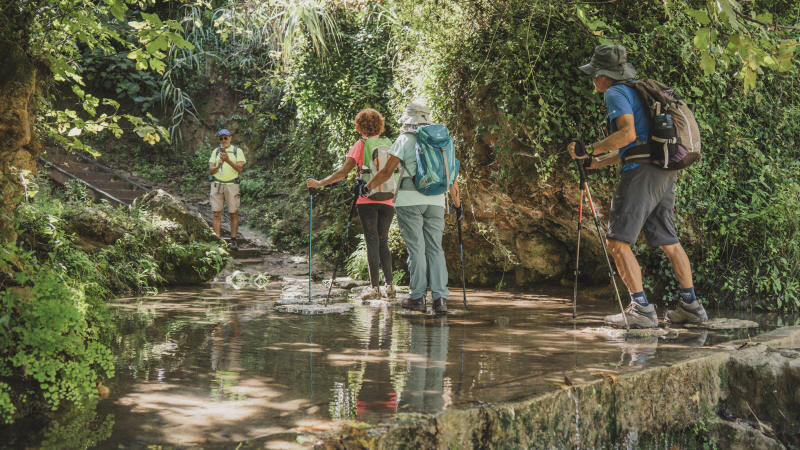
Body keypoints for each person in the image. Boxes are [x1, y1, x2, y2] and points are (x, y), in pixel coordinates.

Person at [567, 45, 708, 328]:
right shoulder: (639, 92)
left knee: (617, 242)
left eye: (593, 74)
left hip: (641, 174)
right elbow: (636, 145)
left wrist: (589, 149)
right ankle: (691, 307)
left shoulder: (614, 92)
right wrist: (597, 161)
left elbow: (627, 134)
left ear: (603, 75)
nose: (592, 79)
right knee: (669, 241)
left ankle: (641, 310)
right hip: (662, 172)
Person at [361, 101, 462, 314]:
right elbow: (451, 175)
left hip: (409, 201)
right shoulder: (443, 140)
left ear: (408, 120)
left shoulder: (404, 139)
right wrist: (457, 204)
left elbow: (387, 172)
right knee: (435, 248)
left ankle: (417, 297)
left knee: (417, 249)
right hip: (437, 200)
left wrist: (367, 187)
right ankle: (440, 298)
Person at [307, 109, 396, 301]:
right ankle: (390, 287)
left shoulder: (360, 145)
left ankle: (374, 288)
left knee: (371, 240)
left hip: (367, 198)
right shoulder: (389, 143)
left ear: (360, 126)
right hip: (388, 198)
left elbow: (343, 172)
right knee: (383, 241)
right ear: (379, 124)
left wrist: (319, 183)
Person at [208, 128, 245, 250]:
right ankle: (217, 241)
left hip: (232, 185)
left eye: (225, 137)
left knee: (233, 213)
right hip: (217, 185)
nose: (223, 140)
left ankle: (233, 240)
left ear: (230, 138)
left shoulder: (237, 151)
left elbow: (240, 168)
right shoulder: (215, 152)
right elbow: (210, 170)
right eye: (221, 138)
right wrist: (219, 164)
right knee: (216, 213)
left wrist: (227, 160)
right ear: (219, 139)